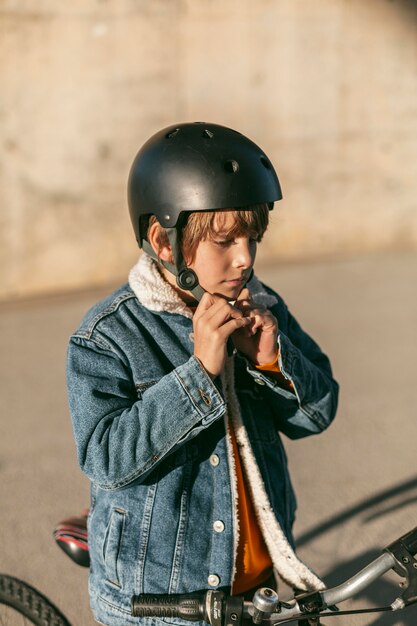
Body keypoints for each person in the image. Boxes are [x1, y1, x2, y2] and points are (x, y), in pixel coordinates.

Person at [67, 122, 339, 626]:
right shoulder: (107, 336)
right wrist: (199, 374)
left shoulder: (258, 304)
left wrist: (269, 361)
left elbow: (318, 414)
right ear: (163, 241)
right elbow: (104, 458)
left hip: (258, 588)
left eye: (252, 237)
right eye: (225, 240)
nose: (245, 258)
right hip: (164, 601)